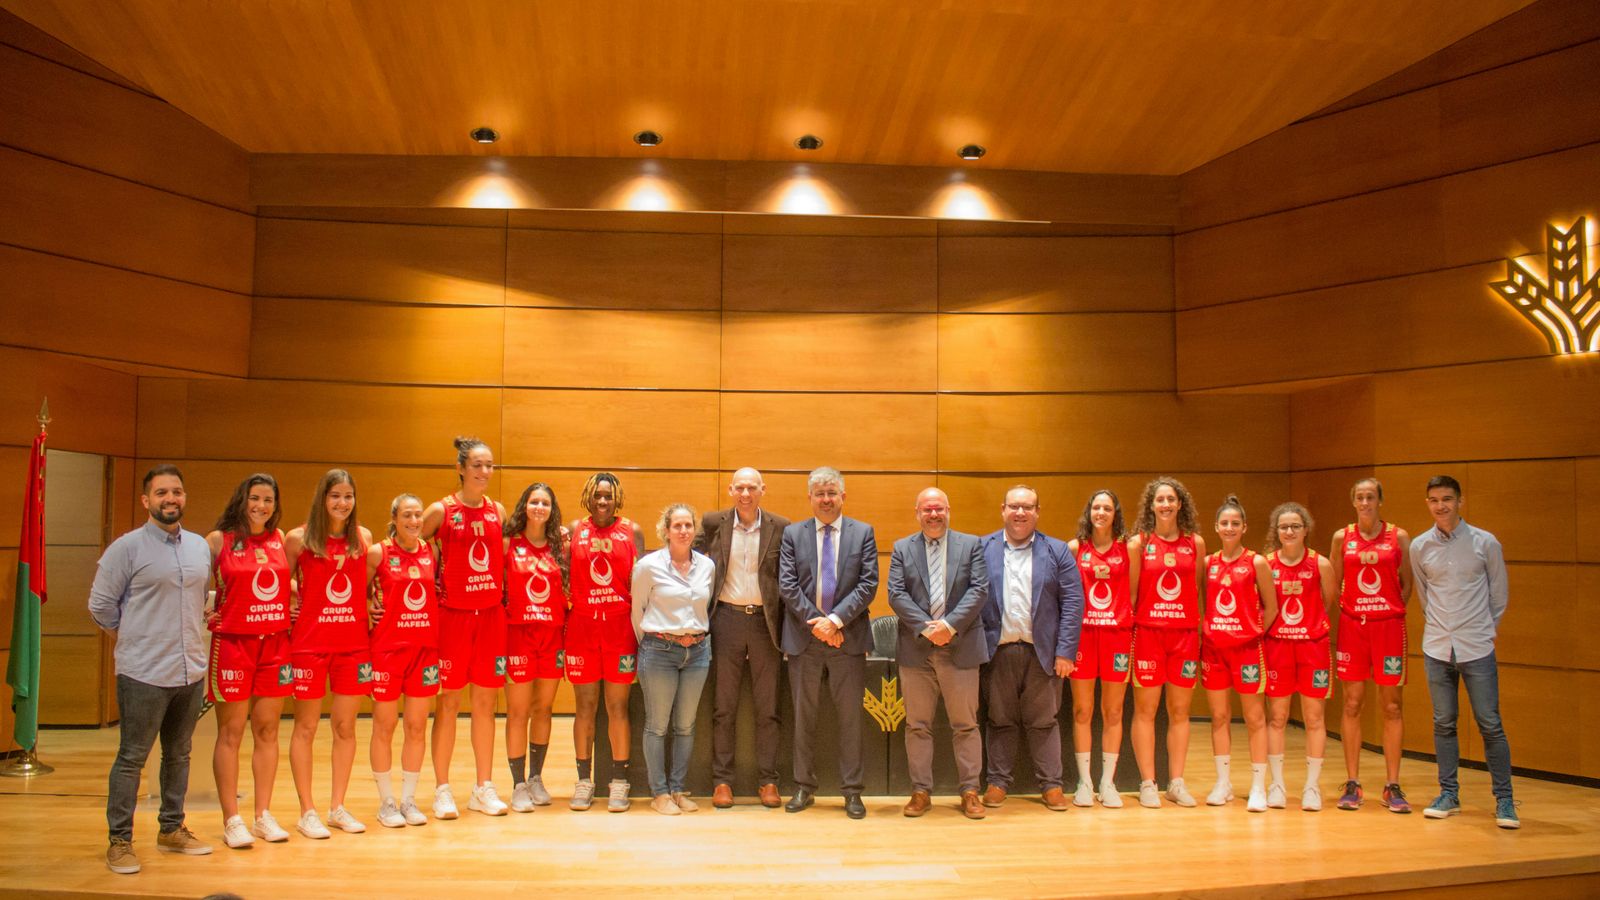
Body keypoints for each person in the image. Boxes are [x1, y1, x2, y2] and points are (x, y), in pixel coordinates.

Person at [89, 464, 214, 874]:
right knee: (132, 758)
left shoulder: (198, 547)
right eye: (161, 493)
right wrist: (132, 640)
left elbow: (200, 602)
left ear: (184, 497)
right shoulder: (126, 548)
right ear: (147, 501)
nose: (170, 499)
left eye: (176, 491)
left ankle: (171, 829)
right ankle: (120, 841)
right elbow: (101, 606)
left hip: (189, 671)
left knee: (179, 755)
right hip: (142, 673)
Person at [1410, 475, 1517, 829]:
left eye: (1447, 499)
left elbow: (1498, 594)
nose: (1440, 506)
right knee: (1443, 723)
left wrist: (1485, 630)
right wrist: (1442, 629)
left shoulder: (1485, 543)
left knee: (1490, 723)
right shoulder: (1419, 547)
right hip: (1438, 647)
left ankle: (1504, 800)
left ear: (1460, 501)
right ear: (1428, 503)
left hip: (1476, 647)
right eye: (1434, 500)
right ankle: (1449, 794)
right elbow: (1425, 598)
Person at [778, 466, 879, 819]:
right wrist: (819, 625)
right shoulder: (792, 534)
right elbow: (788, 586)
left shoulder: (862, 533)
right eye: (819, 493)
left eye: (831, 493)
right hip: (804, 640)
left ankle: (852, 792)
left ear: (843, 496)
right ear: (810, 498)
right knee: (803, 718)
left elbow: (868, 585)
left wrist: (835, 621)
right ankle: (804, 786)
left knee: (851, 719)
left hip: (847, 640)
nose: (825, 499)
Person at [979, 484, 1083, 811]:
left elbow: (1073, 602)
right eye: (1014, 506)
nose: (1020, 512)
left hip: (1044, 654)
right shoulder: (983, 548)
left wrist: (1066, 651)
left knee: (1044, 721)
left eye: (1027, 507)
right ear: (1003, 509)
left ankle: (1052, 786)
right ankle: (997, 783)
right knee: (1000, 719)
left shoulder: (1057, 551)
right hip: (998, 651)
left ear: (1037, 512)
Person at [887, 488, 989, 819]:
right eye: (928, 509)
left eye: (939, 509)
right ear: (917, 513)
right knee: (917, 725)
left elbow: (979, 590)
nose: (934, 515)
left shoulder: (971, 545)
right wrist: (929, 627)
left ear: (949, 511)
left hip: (960, 647)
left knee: (965, 725)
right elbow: (896, 594)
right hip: (917, 650)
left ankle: (970, 791)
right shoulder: (903, 548)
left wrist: (949, 626)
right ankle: (920, 792)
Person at [421, 436, 510, 818]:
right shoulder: (441, 510)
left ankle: (483, 787)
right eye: (477, 465)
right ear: (460, 468)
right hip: (453, 617)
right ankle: (442, 788)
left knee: (487, 705)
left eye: (489, 465)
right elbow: (406, 545)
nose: (485, 472)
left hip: (490, 617)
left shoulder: (498, 510)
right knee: (449, 703)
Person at [204, 474, 293, 849]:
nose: (261, 506)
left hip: (274, 645)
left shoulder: (280, 539)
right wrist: (204, 613)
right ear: (242, 500)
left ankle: (262, 814)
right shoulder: (216, 541)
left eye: (268, 500)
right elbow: (194, 586)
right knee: (232, 732)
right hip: (234, 646)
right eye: (255, 498)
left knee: (268, 730)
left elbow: (291, 586)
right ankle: (232, 819)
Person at [284, 469, 374, 838]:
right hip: (309, 644)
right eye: (335, 495)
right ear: (323, 498)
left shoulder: (364, 538)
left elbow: (369, 584)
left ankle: (337, 806)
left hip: (353, 645)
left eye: (348, 496)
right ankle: (307, 810)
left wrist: (372, 602)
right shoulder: (298, 538)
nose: (342, 503)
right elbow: (279, 578)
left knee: (345, 727)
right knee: (305, 726)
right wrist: (294, 596)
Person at [694, 467, 790, 809]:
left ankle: (768, 781)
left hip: (766, 624)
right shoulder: (712, 522)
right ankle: (722, 781)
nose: (746, 494)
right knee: (724, 707)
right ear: (731, 489)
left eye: (752, 487)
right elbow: (688, 559)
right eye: (740, 488)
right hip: (726, 620)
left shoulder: (781, 526)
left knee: (768, 708)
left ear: (763, 489)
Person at [565, 472, 647, 812]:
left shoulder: (633, 530)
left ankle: (618, 782)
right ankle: (584, 781)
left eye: (608, 496)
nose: (602, 501)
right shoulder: (574, 530)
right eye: (597, 495)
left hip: (618, 627)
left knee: (617, 706)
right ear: (588, 497)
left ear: (617, 498)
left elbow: (642, 582)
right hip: (583, 626)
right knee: (584, 706)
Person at [1331, 478, 1414, 813]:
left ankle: (1392, 785)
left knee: (1392, 705)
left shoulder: (1399, 536)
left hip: (1389, 629)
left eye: (1370, 497)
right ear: (1353, 502)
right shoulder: (1342, 537)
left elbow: (1407, 583)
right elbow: (1333, 583)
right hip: (1353, 629)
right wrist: (1354, 611)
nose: (1365, 502)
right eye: (1359, 497)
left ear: (1381, 500)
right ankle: (1353, 783)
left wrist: (1388, 611)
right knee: (1352, 703)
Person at [631, 503, 716, 815]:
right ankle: (660, 793)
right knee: (657, 726)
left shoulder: (707, 566)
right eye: (677, 526)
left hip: (697, 653)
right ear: (665, 531)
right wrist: (655, 644)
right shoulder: (649, 566)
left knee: (686, 725)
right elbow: (637, 611)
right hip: (659, 652)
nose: (683, 531)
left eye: (688, 526)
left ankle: (678, 788)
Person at [1127, 476, 1206, 808]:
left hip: (1185, 636)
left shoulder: (1195, 543)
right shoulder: (1139, 543)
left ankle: (1176, 781)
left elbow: (1200, 590)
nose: (1166, 505)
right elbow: (1131, 595)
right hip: (1148, 634)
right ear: (1151, 506)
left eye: (1171, 499)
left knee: (1180, 711)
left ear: (1180, 504)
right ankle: (1148, 782)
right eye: (1160, 500)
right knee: (1145, 710)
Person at [365, 493, 441, 828]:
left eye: (418, 516)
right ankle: (386, 802)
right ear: (394, 518)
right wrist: (367, 606)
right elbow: (355, 590)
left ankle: (409, 799)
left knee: (416, 726)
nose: (414, 522)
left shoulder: (430, 551)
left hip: (424, 650)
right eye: (407, 515)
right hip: (386, 650)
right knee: (385, 725)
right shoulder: (379, 553)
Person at [1199, 495, 1276, 812]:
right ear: (1216, 527)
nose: (1229, 528)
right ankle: (1223, 782)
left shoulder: (1257, 562)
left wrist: (1254, 631)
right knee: (1219, 717)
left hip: (1247, 650)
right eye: (1224, 523)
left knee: (1255, 718)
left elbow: (1271, 607)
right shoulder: (1208, 563)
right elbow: (1204, 601)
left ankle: (1259, 786)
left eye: (1235, 523)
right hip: (1215, 650)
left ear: (1244, 527)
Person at [1263, 502, 1336, 812]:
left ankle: (1311, 786)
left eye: (1295, 526)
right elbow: (1264, 605)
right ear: (1276, 531)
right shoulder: (1265, 564)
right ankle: (1277, 784)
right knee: (1277, 717)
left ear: (1306, 529)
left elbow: (1328, 602)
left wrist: (1308, 629)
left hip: (1312, 646)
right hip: (1277, 646)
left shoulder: (1321, 565)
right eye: (1283, 527)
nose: (1289, 531)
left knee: (1314, 717)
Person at [502, 482, 569, 811]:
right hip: (518, 635)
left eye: (545, 503)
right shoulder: (509, 544)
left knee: (543, 709)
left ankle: (536, 778)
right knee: (517, 712)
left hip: (552, 636)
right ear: (524, 506)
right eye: (534, 501)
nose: (539, 507)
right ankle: (517, 784)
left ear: (551, 509)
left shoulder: (560, 546)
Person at [1067, 489, 1133, 808]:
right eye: (1096, 507)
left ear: (1115, 513)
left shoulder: (1129, 549)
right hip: (1083, 637)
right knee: (1082, 710)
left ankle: (1108, 782)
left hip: (1117, 638)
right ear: (1089, 512)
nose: (1101, 512)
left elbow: (1133, 593)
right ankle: (1084, 781)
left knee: (1114, 711)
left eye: (1107, 507)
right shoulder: (1075, 548)